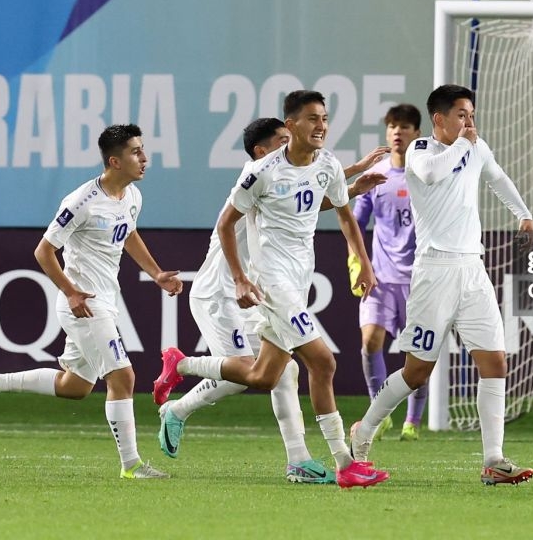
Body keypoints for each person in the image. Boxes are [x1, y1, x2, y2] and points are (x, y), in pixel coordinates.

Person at [151, 91, 389, 489]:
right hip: (234, 288)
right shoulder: (258, 175)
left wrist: (361, 247)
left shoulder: (315, 166)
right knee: (318, 364)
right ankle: (343, 463)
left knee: (268, 374)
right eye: (309, 120)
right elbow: (239, 218)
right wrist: (243, 278)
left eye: (324, 118)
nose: (320, 126)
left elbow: (309, 196)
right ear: (276, 139)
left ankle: (185, 370)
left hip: (278, 284)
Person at [0, 124, 182, 480]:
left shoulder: (131, 198)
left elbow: (128, 234)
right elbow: (44, 250)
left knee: (75, 387)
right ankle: (132, 466)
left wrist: (156, 273)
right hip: (83, 304)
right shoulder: (81, 201)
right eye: (135, 152)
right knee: (123, 377)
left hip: (105, 301)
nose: (145, 159)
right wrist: (70, 290)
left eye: (143, 150)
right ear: (114, 160)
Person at [349, 84, 533, 486]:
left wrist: (523, 213)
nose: (470, 122)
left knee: (495, 362)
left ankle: (493, 460)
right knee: (417, 372)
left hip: (473, 268)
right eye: (462, 115)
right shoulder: (421, 150)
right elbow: (433, 175)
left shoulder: (475, 147)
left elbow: (497, 177)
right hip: (435, 272)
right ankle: (363, 432)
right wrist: (466, 144)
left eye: (471, 114)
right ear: (439, 119)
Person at [346, 103, 429, 442]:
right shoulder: (377, 176)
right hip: (379, 278)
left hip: (419, 280)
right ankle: (380, 414)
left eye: (405, 127)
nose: (398, 132)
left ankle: (413, 420)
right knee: (370, 342)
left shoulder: (428, 175)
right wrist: (357, 261)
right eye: (393, 127)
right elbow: (353, 219)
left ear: (417, 134)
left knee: (418, 355)